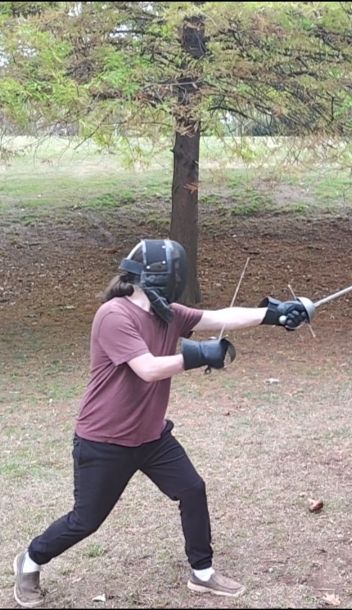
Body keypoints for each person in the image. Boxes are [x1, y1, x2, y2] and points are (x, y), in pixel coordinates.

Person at [12, 238, 312, 607]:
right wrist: (198, 355)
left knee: (192, 489)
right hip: (106, 440)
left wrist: (275, 314)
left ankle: (202, 573)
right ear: (161, 277)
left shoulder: (167, 311)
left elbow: (219, 316)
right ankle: (29, 560)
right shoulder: (114, 315)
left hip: (151, 436)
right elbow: (148, 368)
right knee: (85, 520)